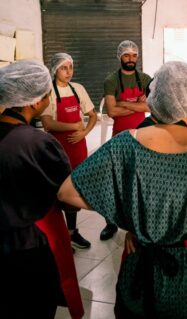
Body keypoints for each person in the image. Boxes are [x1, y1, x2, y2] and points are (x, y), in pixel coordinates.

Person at [58, 61, 187, 319]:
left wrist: (129, 217)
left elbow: (66, 193)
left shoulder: (125, 144)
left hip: (141, 259)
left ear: (154, 98)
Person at [0, 60, 83, 319]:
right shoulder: (37, 143)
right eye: (47, 94)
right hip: (29, 247)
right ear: (35, 102)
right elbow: (67, 198)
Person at [41, 53, 96, 249]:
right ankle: (58, 235)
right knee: (58, 191)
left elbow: (92, 115)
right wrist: (74, 126)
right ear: (55, 70)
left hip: (78, 148)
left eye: (71, 67)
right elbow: (48, 124)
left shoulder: (78, 89)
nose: (68, 72)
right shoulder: (48, 91)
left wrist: (84, 133)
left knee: (74, 190)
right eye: (64, 68)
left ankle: (72, 233)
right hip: (58, 150)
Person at [100, 40, 152, 240]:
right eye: (127, 55)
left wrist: (123, 102)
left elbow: (150, 107)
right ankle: (111, 223)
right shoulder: (111, 80)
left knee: (139, 181)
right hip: (120, 136)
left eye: (134, 55)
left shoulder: (145, 79)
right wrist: (136, 104)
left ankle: (138, 221)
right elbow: (112, 112)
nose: (131, 59)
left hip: (141, 136)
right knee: (114, 181)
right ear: (119, 57)